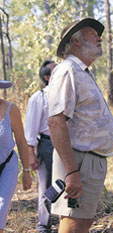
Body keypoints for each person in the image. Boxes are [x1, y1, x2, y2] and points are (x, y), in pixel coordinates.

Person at [47, 18, 113, 233]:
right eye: (91, 33)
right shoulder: (67, 70)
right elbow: (56, 121)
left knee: (84, 221)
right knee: (73, 221)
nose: (99, 38)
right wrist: (71, 172)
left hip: (91, 159)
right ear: (75, 41)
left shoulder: (84, 73)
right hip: (78, 160)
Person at [24, 60, 57, 232]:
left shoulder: (67, 95)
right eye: (55, 70)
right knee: (46, 186)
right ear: (47, 77)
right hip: (47, 144)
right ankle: (44, 225)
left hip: (68, 144)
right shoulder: (38, 98)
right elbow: (30, 129)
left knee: (66, 182)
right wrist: (31, 154)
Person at [0, 80, 32, 233]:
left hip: (7, 165)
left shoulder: (10, 109)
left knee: (0, 209)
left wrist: (26, 171)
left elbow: (21, 140)